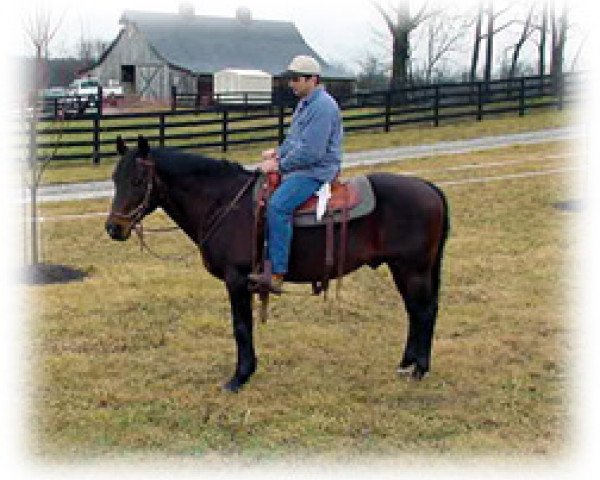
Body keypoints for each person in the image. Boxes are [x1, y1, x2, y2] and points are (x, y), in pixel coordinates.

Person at [248, 55, 343, 294]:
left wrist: (279, 166)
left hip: (316, 171)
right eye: (290, 79)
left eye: (296, 79)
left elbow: (312, 152)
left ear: (313, 79)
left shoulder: (323, 107)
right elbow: (294, 140)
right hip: (303, 166)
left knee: (278, 206)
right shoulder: (305, 104)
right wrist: (278, 153)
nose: (291, 83)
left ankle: (278, 272)